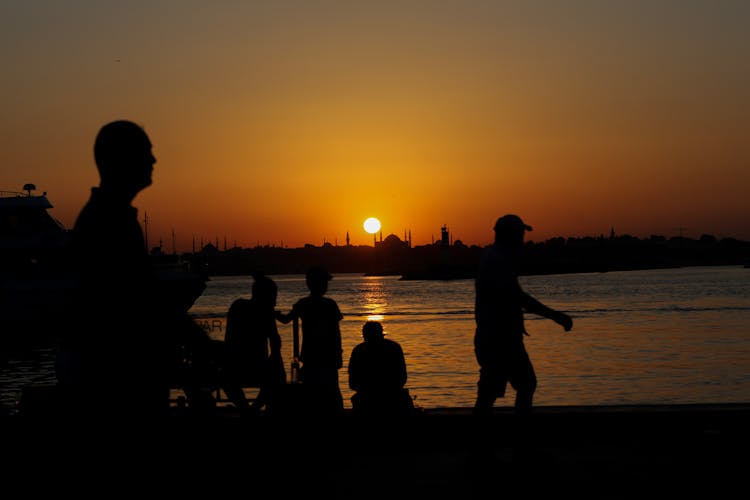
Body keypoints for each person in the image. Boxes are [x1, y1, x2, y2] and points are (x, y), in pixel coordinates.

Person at [57, 119, 211, 417]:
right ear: (119, 160)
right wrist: (196, 339)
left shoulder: (109, 217)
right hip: (118, 385)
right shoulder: (108, 222)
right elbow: (139, 297)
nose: (153, 160)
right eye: (146, 151)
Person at [473, 214, 573, 417]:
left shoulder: (497, 259)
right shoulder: (497, 261)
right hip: (500, 339)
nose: (522, 239)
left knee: (494, 391)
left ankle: (487, 444)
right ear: (509, 235)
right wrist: (555, 316)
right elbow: (517, 297)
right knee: (522, 384)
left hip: (496, 337)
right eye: (519, 234)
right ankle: (518, 442)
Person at [277, 265, 344, 416]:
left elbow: (286, 319)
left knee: (313, 391)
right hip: (326, 357)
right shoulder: (329, 305)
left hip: (312, 356)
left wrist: (273, 313)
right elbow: (336, 333)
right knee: (331, 391)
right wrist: (338, 354)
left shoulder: (303, 303)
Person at [222, 274, 286, 416]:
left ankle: (245, 408)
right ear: (267, 296)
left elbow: (229, 340)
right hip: (256, 366)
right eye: (274, 297)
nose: (275, 303)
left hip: (235, 367)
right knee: (278, 375)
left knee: (227, 376)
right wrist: (275, 358)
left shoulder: (237, 306)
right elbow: (275, 341)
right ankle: (253, 410)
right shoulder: (265, 313)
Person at [348, 320, 415, 417]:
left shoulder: (359, 350)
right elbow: (402, 378)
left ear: (364, 335)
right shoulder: (394, 347)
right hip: (391, 394)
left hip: (372, 396)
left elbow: (353, 382)